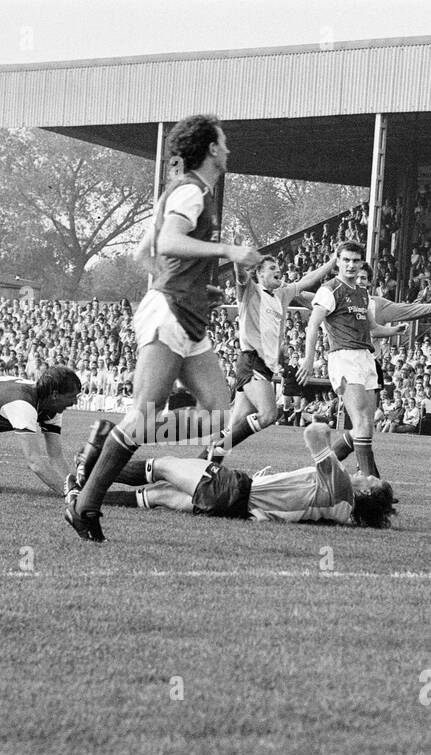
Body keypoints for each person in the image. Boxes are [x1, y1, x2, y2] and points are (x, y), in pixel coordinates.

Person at [66, 114, 262, 542]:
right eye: (223, 142)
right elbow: (167, 243)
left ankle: (107, 441)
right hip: (169, 315)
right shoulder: (191, 189)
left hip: (184, 312)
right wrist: (228, 251)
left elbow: (143, 254)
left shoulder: (191, 191)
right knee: (147, 412)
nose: (228, 149)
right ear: (211, 148)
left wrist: (192, 287)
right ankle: (85, 504)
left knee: (217, 412)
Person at [80, 421, 397, 528]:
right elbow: (331, 464)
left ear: (366, 492)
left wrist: (346, 424)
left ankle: (92, 469)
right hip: (237, 509)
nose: (363, 472)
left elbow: (315, 434)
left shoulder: (341, 485)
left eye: (370, 478)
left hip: (233, 489)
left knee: (161, 465)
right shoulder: (344, 513)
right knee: (159, 495)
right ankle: (81, 493)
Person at [204, 250, 337, 461]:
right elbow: (240, 276)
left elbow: (307, 280)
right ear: (260, 274)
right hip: (251, 360)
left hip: (263, 366)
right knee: (268, 415)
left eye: (278, 267)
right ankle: (214, 454)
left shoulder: (282, 294)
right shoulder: (250, 290)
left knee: (233, 428)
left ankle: (204, 463)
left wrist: (332, 260)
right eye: (272, 268)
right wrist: (238, 259)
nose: (279, 270)